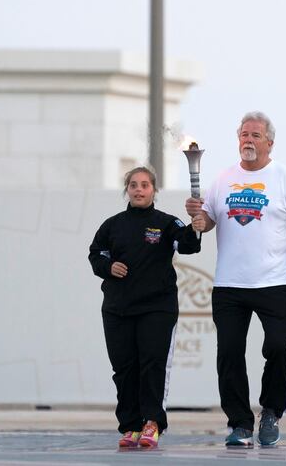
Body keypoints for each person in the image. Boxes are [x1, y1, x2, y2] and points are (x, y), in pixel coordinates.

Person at [185, 112, 286, 447]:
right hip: (230, 284)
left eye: (256, 135)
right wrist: (197, 218)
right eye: (244, 134)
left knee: (277, 347)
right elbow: (209, 222)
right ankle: (240, 423)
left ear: (269, 142)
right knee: (229, 353)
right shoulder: (223, 179)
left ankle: (271, 411)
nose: (248, 140)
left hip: (275, 282)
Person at [89, 166, 204, 450]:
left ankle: (152, 423)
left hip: (157, 307)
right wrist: (108, 266)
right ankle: (130, 425)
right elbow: (95, 254)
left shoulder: (166, 223)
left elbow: (187, 244)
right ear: (126, 190)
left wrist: (195, 226)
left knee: (152, 365)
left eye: (144, 185)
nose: (139, 189)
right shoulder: (112, 225)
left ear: (154, 190)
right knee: (124, 368)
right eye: (133, 185)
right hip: (117, 308)